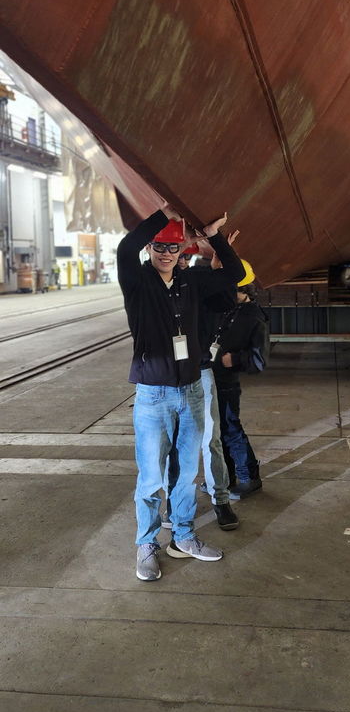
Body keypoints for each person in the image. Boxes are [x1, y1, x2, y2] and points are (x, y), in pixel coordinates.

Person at [117, 202, 244, 581]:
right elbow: (125, 247)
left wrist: (213, 237)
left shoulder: (191, 282)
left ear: (181, 252)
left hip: (190, 392)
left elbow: (235, 273)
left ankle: (183, 537)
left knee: (187, 473)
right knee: (152, 478)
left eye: (173, 248)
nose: (166, 253)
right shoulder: (137, 282)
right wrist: (163, 214)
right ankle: (147, 544)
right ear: (150, 248)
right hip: (152, 395)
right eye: (159, 246)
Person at [166, 234, 240, 531]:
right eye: (175, 253)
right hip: (167, 378)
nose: (179, 260)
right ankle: (174, 505)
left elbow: (228, 292)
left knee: (211, 440)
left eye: (184, 255)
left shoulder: (201, 281)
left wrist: (219, 258)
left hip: (200, 372)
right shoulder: (157, 286)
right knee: (173, 445)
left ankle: (220, 500)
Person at [213, 271, 268, 498]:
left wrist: (234, 359)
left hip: (227, 381)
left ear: (243, 290)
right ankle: (226, 478)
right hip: (212, 378)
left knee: (230, 428)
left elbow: (259, 360)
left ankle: (249, 477)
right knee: (219, 432)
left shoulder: (253, 316)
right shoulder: (230, 308)